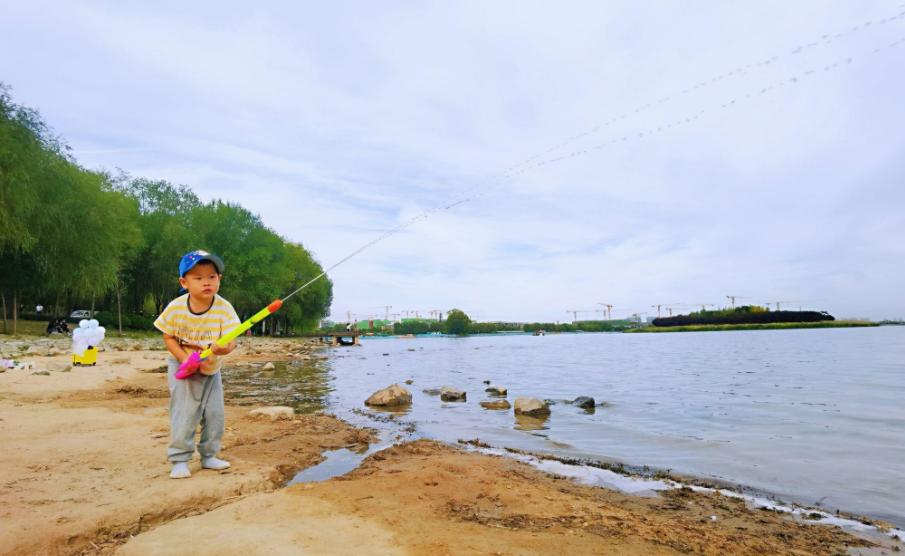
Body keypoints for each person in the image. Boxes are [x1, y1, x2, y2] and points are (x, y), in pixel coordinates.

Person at [154, 250, 241, 479]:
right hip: (182, 367)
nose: (206, 283)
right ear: (184, 282)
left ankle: (209, 455)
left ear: (219, 280)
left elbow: (232, 339)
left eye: (212, 277)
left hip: (212, 368)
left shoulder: (224, 308)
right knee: (184, 412)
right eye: (198, 278)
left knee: (215, 414)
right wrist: (184, 359)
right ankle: (180, 459)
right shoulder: (176, 307)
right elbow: (168, 337)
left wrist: (225, 348)